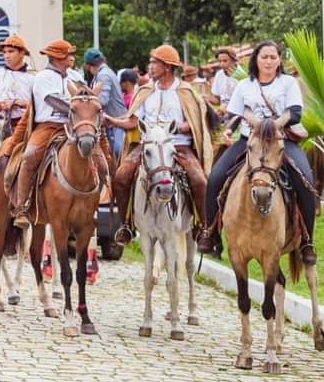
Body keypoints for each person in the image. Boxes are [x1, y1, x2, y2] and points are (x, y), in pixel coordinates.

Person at [199, 40, 316, 263]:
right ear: (256, 60)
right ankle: (210, 232)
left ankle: (307, 241)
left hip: (280, 142)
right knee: (214, 178)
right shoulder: (245, 86)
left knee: (306, 181)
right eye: (264, 57)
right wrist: (228, 131)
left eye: (273, 57)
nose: (269, 61)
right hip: (248, 141)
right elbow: (233, 114)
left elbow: (296, 113)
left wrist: (277, 123)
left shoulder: (288, 83)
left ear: (279, 60)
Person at [106, 45, 211, 246]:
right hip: (148, 145)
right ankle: (126, 224)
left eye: (155, 63)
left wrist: (182, 127)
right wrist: (112, 121)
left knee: (199, 181)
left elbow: (195, 122)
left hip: (177, 146)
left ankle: (203, 227)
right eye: (151, 62)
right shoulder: (145, 90)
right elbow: (134, 121)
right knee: (120, 176)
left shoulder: (185, 91)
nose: (151, 67)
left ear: (168, 67)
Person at [0, 39, 78, 227]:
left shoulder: (74, 76)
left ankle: (98, 200)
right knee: (30, 156)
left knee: (94, 152)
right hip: (48, 126)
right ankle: (22, 207)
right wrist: (77, 108)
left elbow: (86, 95)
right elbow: (53, 101)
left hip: (73, 125)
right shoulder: (43, 77)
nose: (72, 58)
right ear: (58, 57)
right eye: (68, 55)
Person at [82, 47, 128, 159]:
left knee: (117, 152)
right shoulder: (106, 72)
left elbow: (102, 100)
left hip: (115, 122)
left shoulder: (103, 75)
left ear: (88, 66)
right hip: (115, 121)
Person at [0, 34, 34, 136]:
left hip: (25, 124)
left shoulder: (33, 76)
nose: (6, 56)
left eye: (11, 51)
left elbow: (40, 105)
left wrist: (17, 102)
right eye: (4, 52)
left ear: (22, 53)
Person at [208, 46, 239, 114]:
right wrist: (205, 98)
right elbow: (218, 100)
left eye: (225, 61)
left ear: (233, 60)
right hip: (223, 111)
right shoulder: (219, 75)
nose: (222, 64)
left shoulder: (241, 75)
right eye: (220, 61)